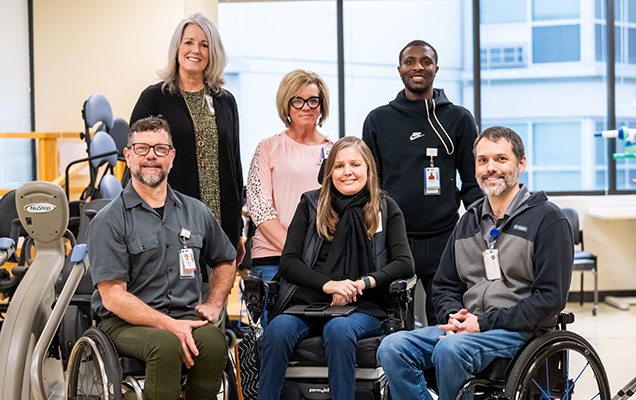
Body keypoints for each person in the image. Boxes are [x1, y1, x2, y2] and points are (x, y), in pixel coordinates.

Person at [376, 126, 574, 400]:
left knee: (451, 349)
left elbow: (551, 298)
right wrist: (454, 314)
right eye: (483, 160)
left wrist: (482, 323)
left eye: (501, 159)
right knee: (392, 347)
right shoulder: (467, 221)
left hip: (519, 331)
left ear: (521, 164)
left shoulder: (548, 220)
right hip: (467, 328)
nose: (490, 167)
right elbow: (445, 284)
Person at [89, 116, 237, 400]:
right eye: (142, 149)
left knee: (214, 341)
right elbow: (113, 298)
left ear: (172, 157)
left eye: (160, 149)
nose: (151, 157)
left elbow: (226, 259)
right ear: (128, 155)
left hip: (183, 315)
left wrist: (215, 302)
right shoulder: (109, 220)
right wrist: (169, 325)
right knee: (166, 345)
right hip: (123, 323)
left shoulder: (195, 211)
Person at [257, 137, 414, 400]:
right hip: (309, 303)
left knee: (339, 329)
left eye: (355, 164)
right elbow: (289, 262)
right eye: (339, 166)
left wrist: (363, 282)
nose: (347, 172)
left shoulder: (385, 208)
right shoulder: (310, 205)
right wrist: (329, 285)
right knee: (278, 329)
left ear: (368, 169)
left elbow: (404, 263)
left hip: (364, 306)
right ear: (330, 173)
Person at [362, 39, 482, 325]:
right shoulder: (378, 120)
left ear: (436, 68)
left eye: (426, 61)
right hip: (395, 238)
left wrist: (483, 230)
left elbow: (472, 183)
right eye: (410, 61)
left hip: (445, 236)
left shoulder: (459, 119)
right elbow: (370, 188)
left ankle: (442, 370)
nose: (418, 67)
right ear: (400, 69)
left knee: (445, 318)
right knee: (395, 322)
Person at [130, 13, 244, 264]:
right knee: (179, 300)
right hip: (170, 227)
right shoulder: (154, 98)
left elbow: (235, 166)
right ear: (177, 49)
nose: (196, 50)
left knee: (216, 300)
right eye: (189, 42)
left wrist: (239, 230)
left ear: (213, 53)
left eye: (204, 44)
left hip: (221, 227)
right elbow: (136, 167)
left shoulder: (226, 101)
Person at [246, 70, 333, 282]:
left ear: (322, 105)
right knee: (276, 317)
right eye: (298, 101)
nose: (306, 106)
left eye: (313, 100)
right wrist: (297, 253)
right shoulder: (268, 147)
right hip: (273, 257)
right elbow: (260, 209)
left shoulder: (334, 151)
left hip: (321, 260)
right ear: (286, 104)